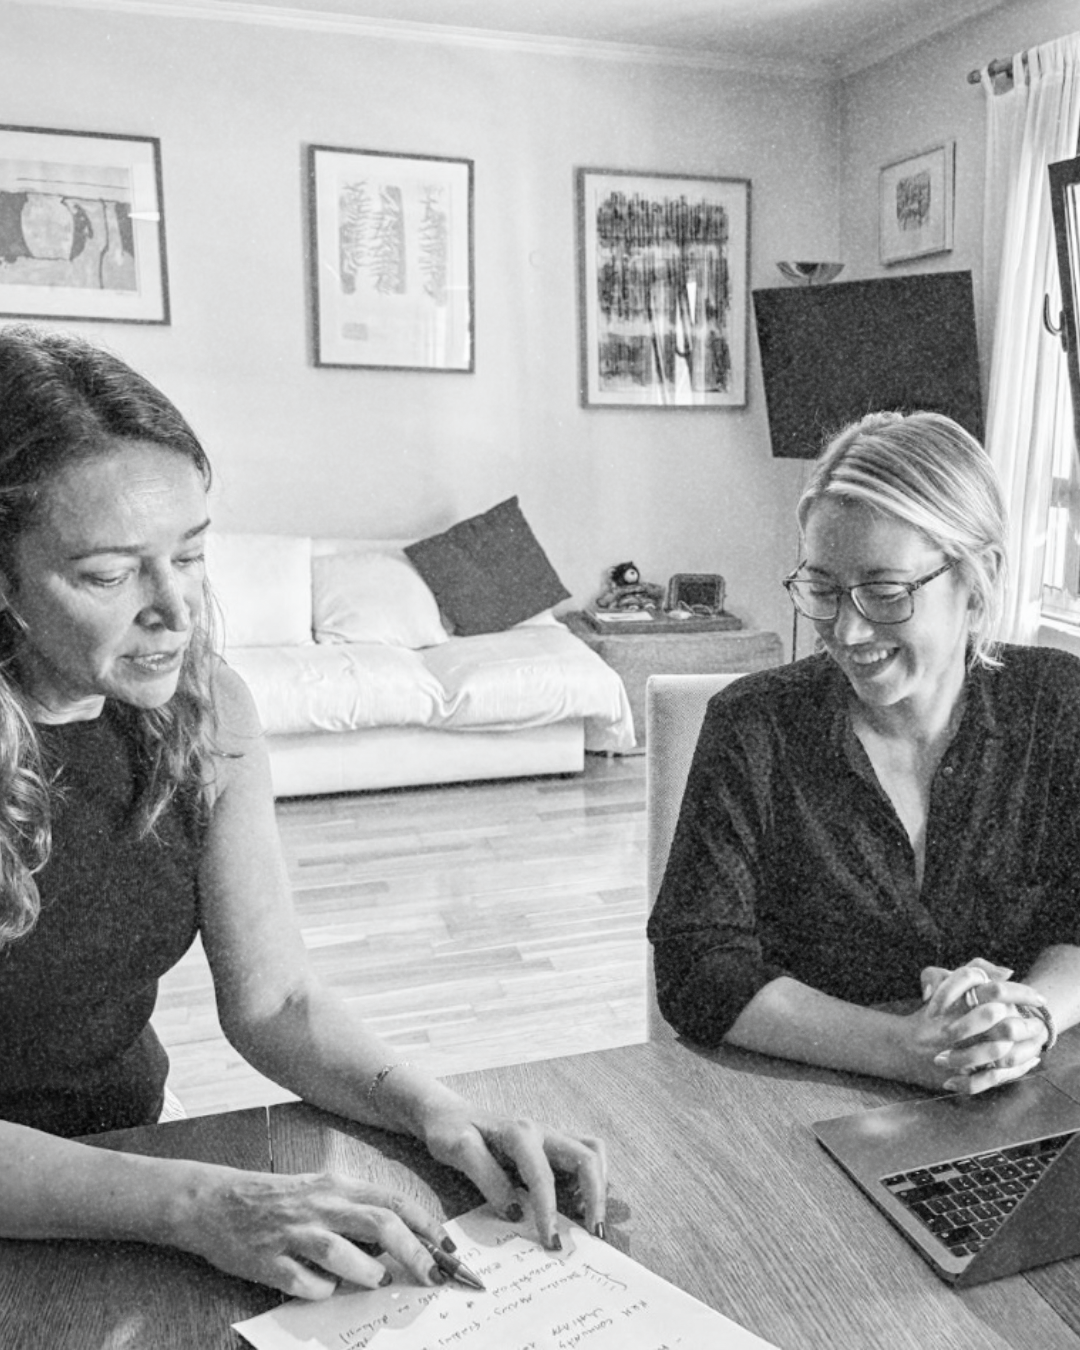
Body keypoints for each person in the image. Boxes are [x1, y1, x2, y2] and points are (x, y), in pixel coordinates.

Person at [0, 324, 606, 1300]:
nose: (177, 610)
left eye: (191, 556)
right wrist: (200, 1205)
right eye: (110, 574)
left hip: (131, 1153)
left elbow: (275, 1002)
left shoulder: (209, 711)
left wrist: (435, 1111)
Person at [649, 410, 1080, 1097]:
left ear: (979, 580)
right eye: (821, 588)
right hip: (797, 1107)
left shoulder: (1060, 705)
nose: (847, 629)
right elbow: (699, 968)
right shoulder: (754, 726)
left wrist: (1028, 1015)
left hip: (1024, 1102)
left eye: (884, 591)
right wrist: (907, 1050)